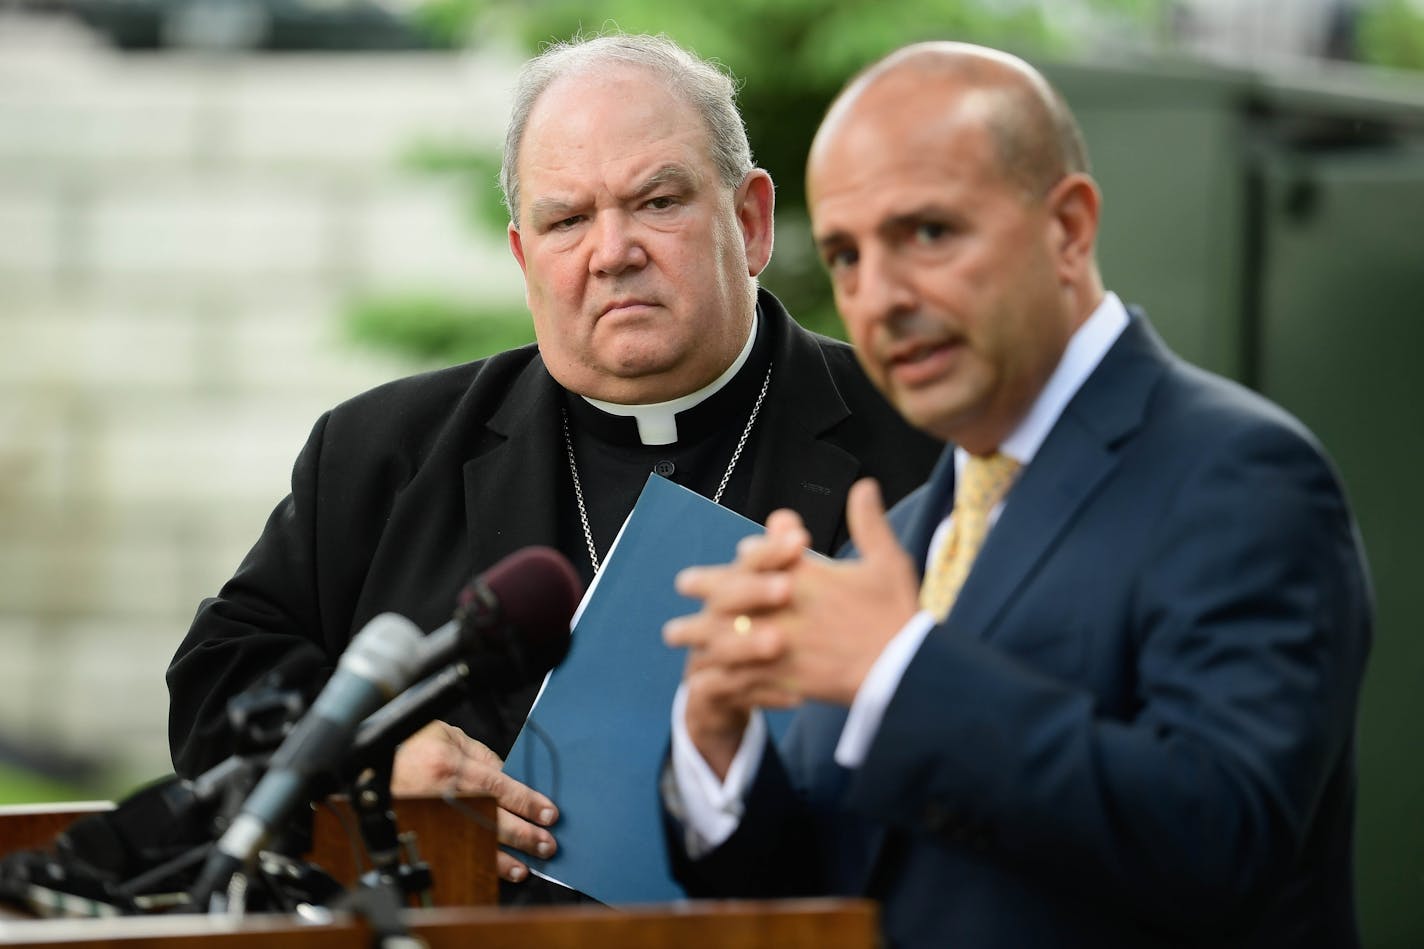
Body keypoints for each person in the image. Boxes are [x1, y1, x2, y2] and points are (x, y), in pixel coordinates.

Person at [163, 32, 941, 902]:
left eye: (656, 201)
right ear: (525, 257)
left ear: (750, 221)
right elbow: (212, 688)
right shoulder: (380, 453)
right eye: (567, 219)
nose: (612, 251)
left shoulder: (924, 442)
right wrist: (371, 755)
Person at [661, 41, 1372, 948]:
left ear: (1069, 228)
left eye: (928, 232)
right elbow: (841, 873)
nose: (878, 296)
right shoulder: (907, 529)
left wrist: (898, 671)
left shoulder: (1244, 475)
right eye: (845, 255)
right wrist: (720, 747)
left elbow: (1221, 837)